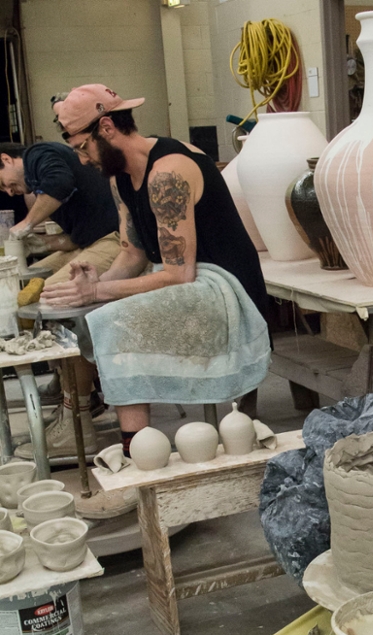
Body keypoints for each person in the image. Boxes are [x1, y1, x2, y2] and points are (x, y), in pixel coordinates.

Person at [49, 84, 271, 457]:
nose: (84, 160)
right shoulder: (120, 177)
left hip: (225, 288)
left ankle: (139, 457)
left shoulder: (168, 172)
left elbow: (178, 274)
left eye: (83, 148)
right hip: (188, 278)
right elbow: (133, 253)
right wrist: (93, 285)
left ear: (106, 128)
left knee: (116, 322)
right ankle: (109, 433)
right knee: (91, 312)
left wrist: (100, 295)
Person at [0, 140, 121, 457]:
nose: (10, 192)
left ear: (5, 159)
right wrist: (42, 244)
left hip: (117, 241)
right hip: (92, 242)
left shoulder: (40, 155)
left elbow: (59, 182)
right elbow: (76, 237)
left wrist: (25, 226)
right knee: (24, 280)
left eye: (4, 183)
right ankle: (68, 379)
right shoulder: (45, 176)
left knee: (52, 297)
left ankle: (76, 419)